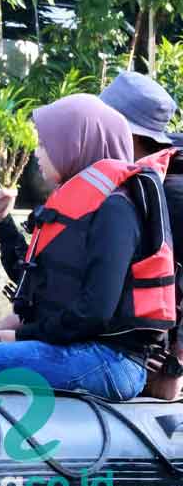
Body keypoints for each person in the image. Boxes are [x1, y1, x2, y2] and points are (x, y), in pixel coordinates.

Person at [0, 94, 174, 401]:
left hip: (111, 361)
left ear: (75, 145)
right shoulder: (80, 204)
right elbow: (35, 281)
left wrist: (22, 336)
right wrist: (2, 222)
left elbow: (95, 313)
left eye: (45, 145)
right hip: (80, 347)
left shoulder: (116, 210)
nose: (37, 153)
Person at [100, 71, 183, 398]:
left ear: (125, 131)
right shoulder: (128, 180)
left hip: (157, 351)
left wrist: (174, 365)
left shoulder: (172, 194)